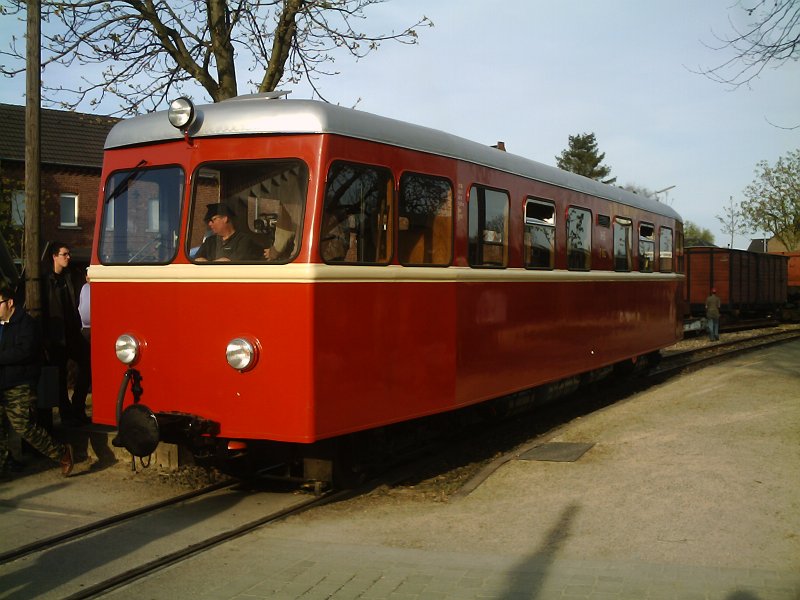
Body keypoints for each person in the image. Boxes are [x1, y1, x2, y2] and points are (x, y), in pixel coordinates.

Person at [0, 285, 74, 480]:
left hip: (19, 382)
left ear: (9, 303)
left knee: (23, 426)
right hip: (2, 382)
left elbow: (24, 352)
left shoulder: (26, 324)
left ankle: (61, 453)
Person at [41, 242, 91, 425]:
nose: (68, 257)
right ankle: (66, 412)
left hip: (71, 332)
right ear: (54, 256)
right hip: (56, 335)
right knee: (59, 375)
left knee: (88, 362)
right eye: (64, 254)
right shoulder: (45, 281)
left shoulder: (69, 277)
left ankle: (77, 406)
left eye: (68, 254)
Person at [195, 204, 262, 262]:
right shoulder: (210, 241)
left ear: (225, 219)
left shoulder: (244, 240)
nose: (210, 223)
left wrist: (207, 263)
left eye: (213, 219)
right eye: (208, 221)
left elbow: (232, 263)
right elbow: (197, 260)